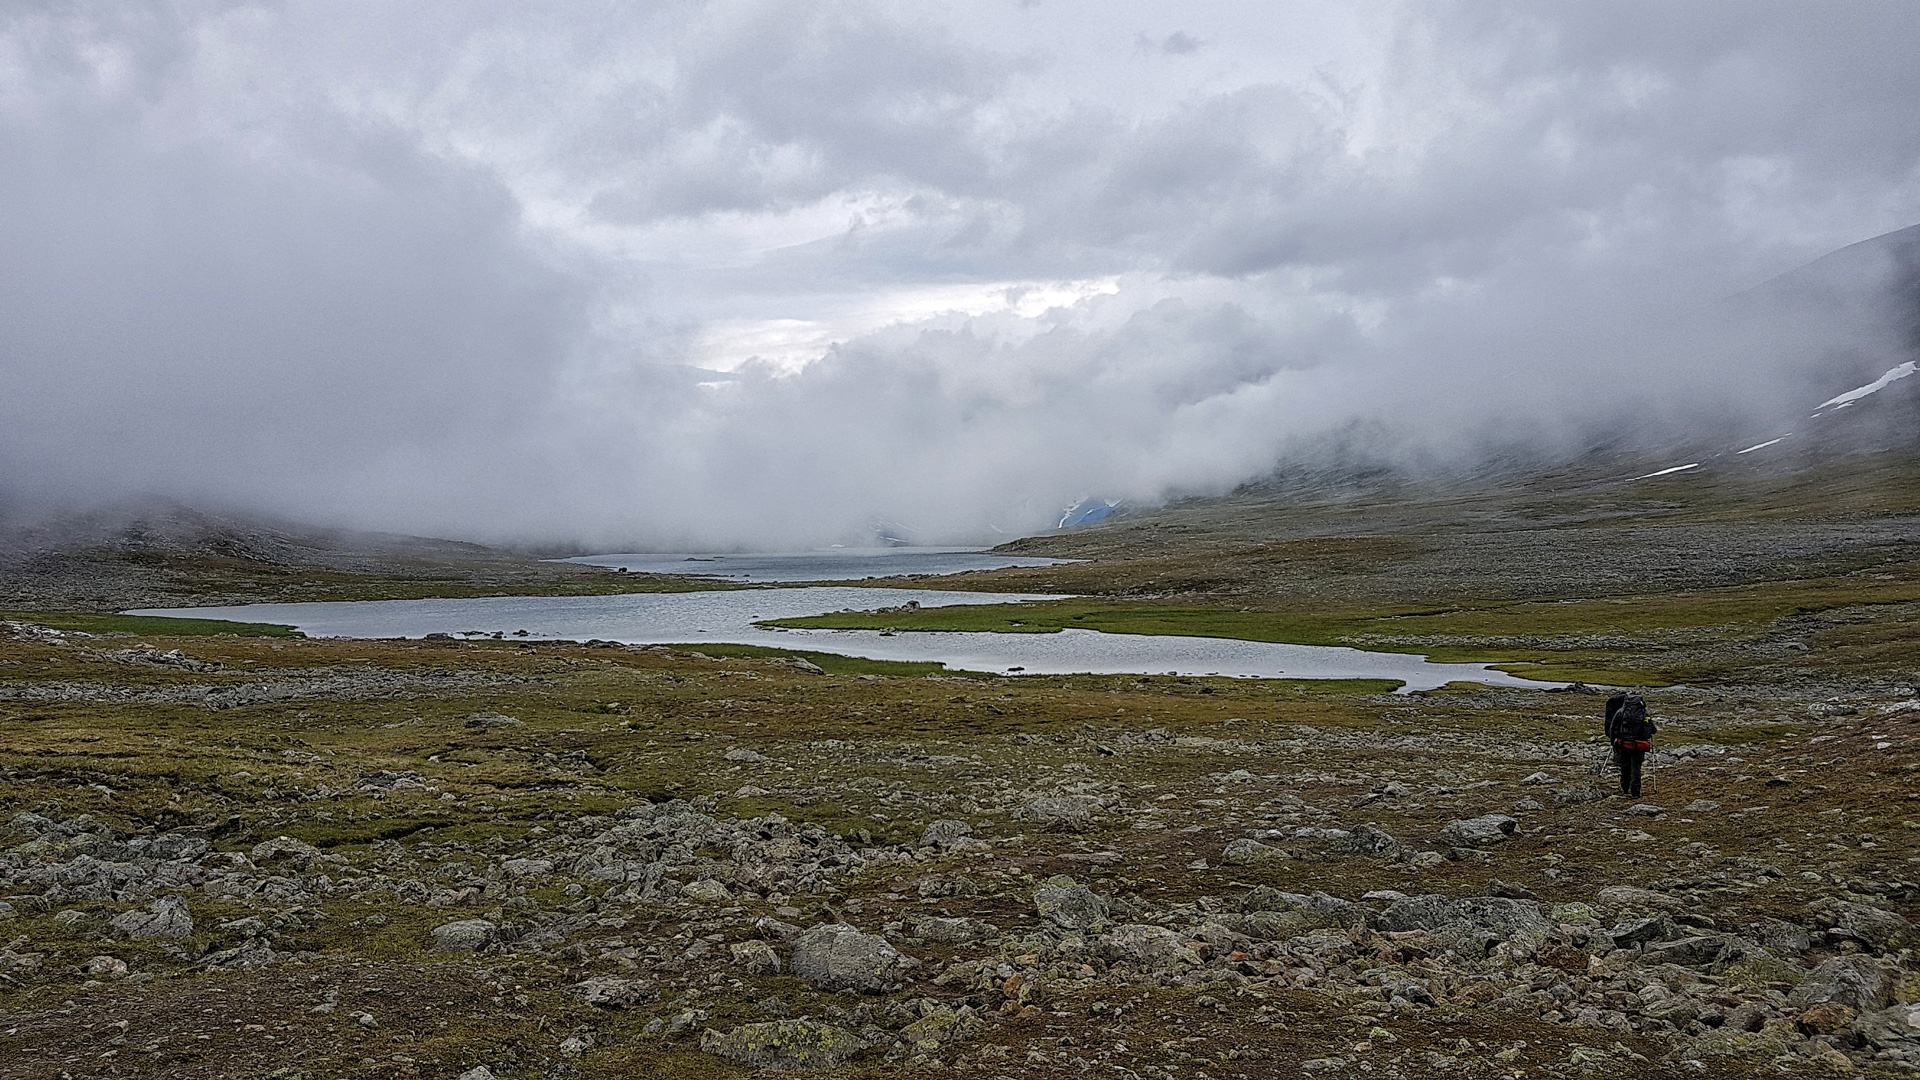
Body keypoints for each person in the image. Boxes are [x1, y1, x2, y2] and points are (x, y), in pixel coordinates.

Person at [1604, 690, 1657, 798]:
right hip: (1639, 745)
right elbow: (1652, 729)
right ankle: (1636, 792)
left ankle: (1625, 788)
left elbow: (1613, 728)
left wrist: (1613, 742)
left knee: (1625, 766)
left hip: (1624, 744)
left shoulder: (1621, 711)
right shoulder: (1643, 713)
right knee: (1636, 768)